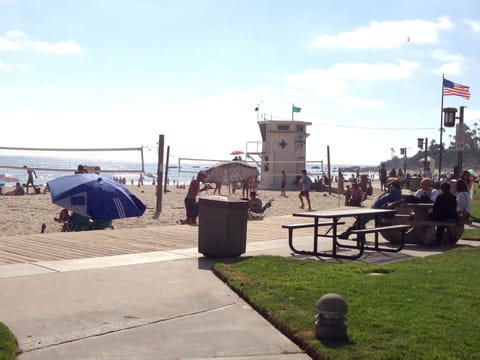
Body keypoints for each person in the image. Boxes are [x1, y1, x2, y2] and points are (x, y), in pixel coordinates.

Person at [339, 180, 403, 239]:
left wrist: (392, 204)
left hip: (379, 212)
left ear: (395, 187)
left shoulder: (396, 194)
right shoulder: (389, 192)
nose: (390, 187)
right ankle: (355, 235)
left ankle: (350, 234)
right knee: (359, 220)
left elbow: (401, 201)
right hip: (374, 210)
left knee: (360, 220)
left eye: (391, 186)